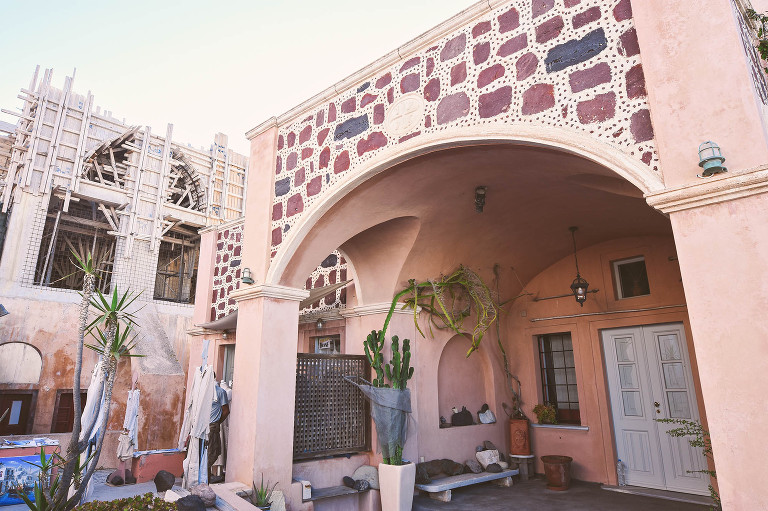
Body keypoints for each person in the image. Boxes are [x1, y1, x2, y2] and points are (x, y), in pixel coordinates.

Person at [207, 379, 229, 482]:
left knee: (211, 454)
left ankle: (205, 482)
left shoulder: (220, 392)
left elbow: (226, 411)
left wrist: (217, 422)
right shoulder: (202, 392)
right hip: (200, 427)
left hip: (212, 426)